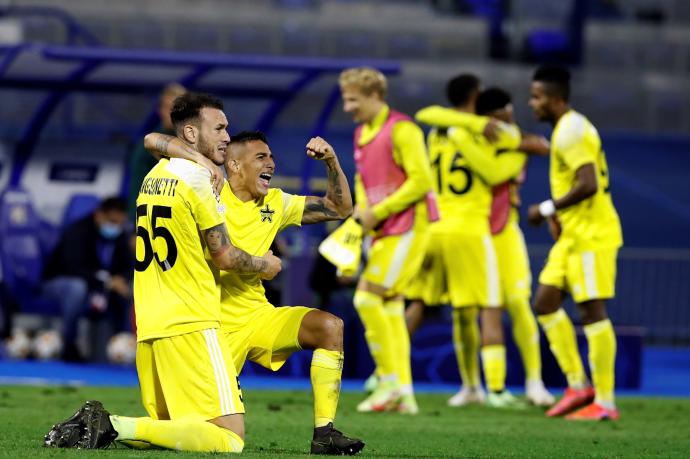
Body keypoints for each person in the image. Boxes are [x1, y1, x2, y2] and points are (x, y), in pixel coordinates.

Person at [44, 92, 281, 452]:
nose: (226, 137)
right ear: (189, 133)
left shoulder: (154, 176)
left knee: (170, 432)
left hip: (151, 324)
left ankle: (102, 429)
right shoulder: (200, 180)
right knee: (229, 438)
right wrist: (267, 265)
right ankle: (111, 424)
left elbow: (154, 141)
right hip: (192, 322)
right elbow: (225, 257)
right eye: (218, 128)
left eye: (227, 129)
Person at [143, 130, 365, 455]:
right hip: (210, 328)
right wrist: (264, 265)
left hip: (257, 316)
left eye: (272, 157)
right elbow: (152, 141)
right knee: (196, 432)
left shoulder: (274, 202)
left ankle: (324, 433)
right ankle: (113, 427)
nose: (271, 163)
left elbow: (338, 207)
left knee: (330, 327)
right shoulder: (207, 194)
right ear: (234, 165)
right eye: (261, 157)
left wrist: (332, 161)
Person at [406, 74, 529, 409]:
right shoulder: (483, 130)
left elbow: (428, 113)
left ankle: (466, 386)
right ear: (477, 94)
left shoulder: (439, 130)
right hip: (472, 229)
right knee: (489, 307)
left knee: (451, 310)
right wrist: (520, 154)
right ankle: (498, 389)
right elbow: (493, 171)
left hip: (436, 227)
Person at [338, 67, 438, 414]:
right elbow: (364, 183)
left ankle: (389, 382)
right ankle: (405, 395)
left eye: (352, 100)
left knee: (367, 298)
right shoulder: (362, 134)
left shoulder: (403, 129)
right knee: (392, 308)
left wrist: (377, 213)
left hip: (411, 225)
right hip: (382, 229)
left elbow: (422, 181)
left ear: (374, 96)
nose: (347, 107)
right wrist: (363, 217)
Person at [527, 65, 622, 421]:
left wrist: (545, 208)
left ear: (553, 99)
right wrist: (558, 217)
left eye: (536, 97)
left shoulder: (572, 132)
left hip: (593, 236)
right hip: (572, 235)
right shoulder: (567, 129)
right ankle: (578, 385)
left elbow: (588, 183)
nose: (531, 103)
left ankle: (606, 403)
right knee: (546, 302)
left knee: (592, 311)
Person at [475, 87, 554, 407]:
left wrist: (514, 139)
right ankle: (494, 388)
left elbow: (541, 145)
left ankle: (535, 383)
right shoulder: (475, 140)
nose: (510, 117)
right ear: (490, 117)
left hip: (506, 230)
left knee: (520, 305)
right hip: (479, 231)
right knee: (488, 310)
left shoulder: (512, 141)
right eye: (504, 113)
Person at [42, 196, 133, 362]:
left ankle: (129, 346)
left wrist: (122, 279)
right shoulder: (77, 231)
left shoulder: (120, 236)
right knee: (77, 288)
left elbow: (128, 265)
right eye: (111, 221)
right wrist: (108, 281)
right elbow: (73, 268)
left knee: (132, 287)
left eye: (119, 223)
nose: (115, 227)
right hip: (59, 284)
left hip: (98, 287)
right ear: (98, 215)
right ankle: (70, 345)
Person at [126, 83, 186, 221]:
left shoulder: (198, 143)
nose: (171, 112)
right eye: (166, 107)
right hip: (154, 218)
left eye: (177, 107)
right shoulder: (145, 145)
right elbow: (137, 186)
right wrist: (135, 225)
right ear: (159, 110)